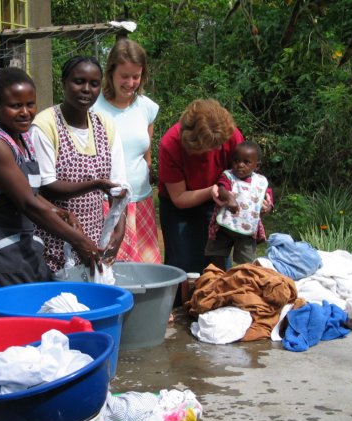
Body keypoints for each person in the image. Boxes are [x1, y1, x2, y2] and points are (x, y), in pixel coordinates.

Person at [0, 67, 102, 286]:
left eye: (30, 104)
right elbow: (27, 203)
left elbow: (31, 194)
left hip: (18, 242)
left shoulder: (24, 138)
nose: (25, 112)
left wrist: (61, 212)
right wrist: (79, 240)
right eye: (15, 106)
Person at [30, 56, 128, 273]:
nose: (86, 89)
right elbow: (47, 186)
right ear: (64, 82)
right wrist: (95, 184)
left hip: (92, 238)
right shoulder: (45, 125)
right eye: (78, 81)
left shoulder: (105, 126)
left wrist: (118, 231)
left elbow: (118, 189)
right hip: (54, 238)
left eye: (93, 84)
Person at [158, 98, 244, 282]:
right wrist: (211, 191)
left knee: (217, 261)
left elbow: (243, 176)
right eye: (213, 146)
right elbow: (179, 198)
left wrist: (260, 197)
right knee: (182, 264)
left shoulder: (231, 135)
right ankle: (180, 305)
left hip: (218, 199)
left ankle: (216, 304)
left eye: (221, 143)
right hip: (178, 207)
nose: (220, 148)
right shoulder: (171, 143)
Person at [92, 39, 162, 264]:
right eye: (125, 76)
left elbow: (146, 152)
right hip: (106, 203)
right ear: (111, 72)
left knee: (145, 270)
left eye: (136, 76)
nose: (131, 82)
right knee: (111, 268)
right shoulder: (93, 107)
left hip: (141, 200)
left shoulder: (147, 107)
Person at [204, 141, 273, 270]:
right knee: (216, 255)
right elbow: (222, 188)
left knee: (246, 262)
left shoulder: (260, 182)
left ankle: (242, 282)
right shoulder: (228, 176)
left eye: (246, 162)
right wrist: (230, 199)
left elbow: (268, 198)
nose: (240, 165)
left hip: (247, 231)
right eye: (236, 161)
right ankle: (217, 276)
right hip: (224, 226)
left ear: (256, 166)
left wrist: (268, 207)